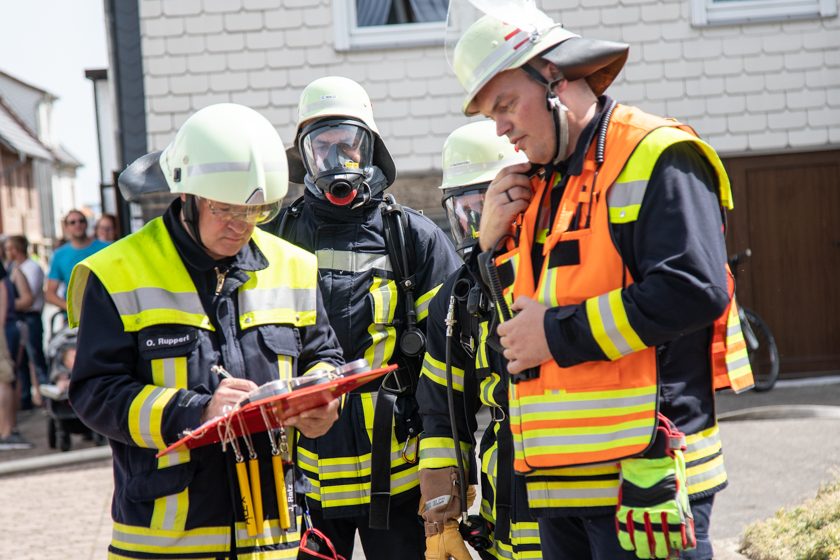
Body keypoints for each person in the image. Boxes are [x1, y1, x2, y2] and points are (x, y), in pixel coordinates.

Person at [449, 5, 754, 559]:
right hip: (559, 487)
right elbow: (501, 326)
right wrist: (486, 245)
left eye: (506, 105)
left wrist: (558, 334)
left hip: (645, 478)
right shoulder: (533, 185)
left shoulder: (656, 153)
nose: (500, 128)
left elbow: (695, 287)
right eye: (491, 115)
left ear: (556, 79)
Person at [67, 103, 345, 559]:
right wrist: (195, 411)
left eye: (257, 210)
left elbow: (324, 359)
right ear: (187, 195)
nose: (241, 225)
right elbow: (95, 392)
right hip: (164, 543)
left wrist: (325, 399)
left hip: (272, 539)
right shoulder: (116, 272)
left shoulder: (293, 266)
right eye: (226, 209)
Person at [263, 76, 461, 559]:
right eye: (321, 147)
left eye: (347, 146)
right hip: (307, 478)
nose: (336, 161)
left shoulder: (412, 236)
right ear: (304, 157)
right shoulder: (275, 239)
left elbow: (453, 352)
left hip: (396, 479)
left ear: (368, 150)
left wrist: (448, 468)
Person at [416, 121, 542, 560]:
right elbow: (439, 414)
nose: (476, 226)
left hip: (575, 509)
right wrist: (440, 520)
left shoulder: (559, 276)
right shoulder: (456, 298)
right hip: (501, 517)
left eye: (485, 207)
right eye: (464, 210)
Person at [5, 235, 48, 403]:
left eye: (9, 248)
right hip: (19, 317)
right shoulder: (12, 268)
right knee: (21, 363)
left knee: (36, 358)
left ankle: (45, 396)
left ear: (16, 250)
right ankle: (26, 398)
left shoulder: (32, 268)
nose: (7, 252)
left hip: (31, 317)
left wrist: (7, 304)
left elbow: (27, 297)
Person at [45, 210, 108, 312]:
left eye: (81, 221)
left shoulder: (105, 248)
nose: (77, 224)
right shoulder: (59, 255)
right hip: (77, 320)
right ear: (66, 227)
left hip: (106, 310)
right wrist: (73, 310)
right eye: (72, 222)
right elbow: (50, 294)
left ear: (86, 224)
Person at [0, 261, 33, 449]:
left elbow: (3, 288)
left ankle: (6, 431)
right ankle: (6, 430)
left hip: (5, 327)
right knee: (6, 378)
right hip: (6, 326)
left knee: (6, 378)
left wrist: (1, 324)